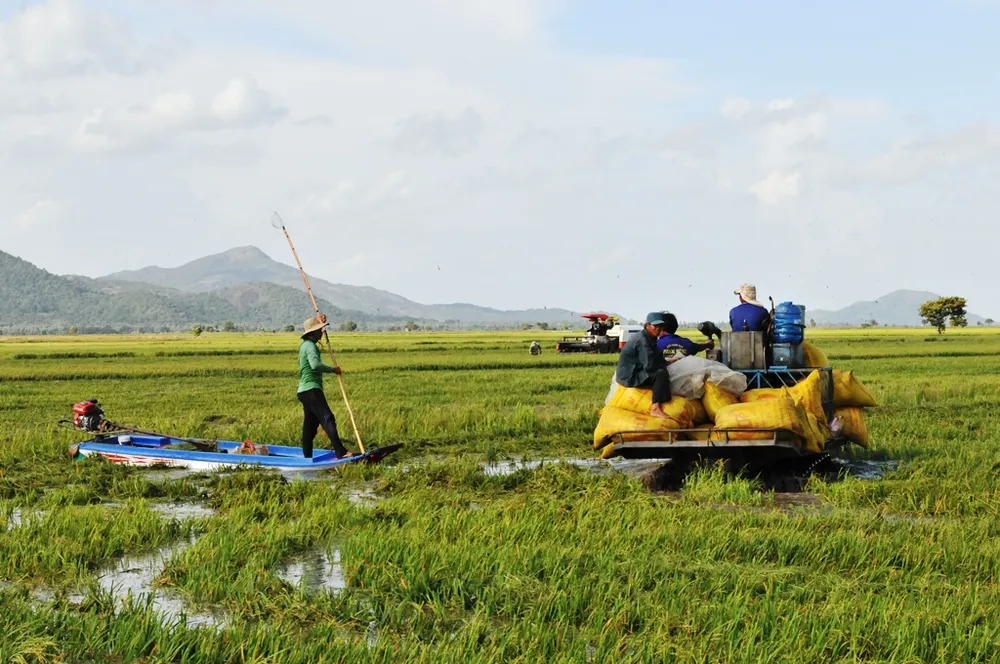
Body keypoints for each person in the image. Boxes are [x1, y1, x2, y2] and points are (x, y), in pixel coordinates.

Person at [297, 313, 356, 459]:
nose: (322, 333)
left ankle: (306, 457)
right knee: (327, 418)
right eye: (319, 330)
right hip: (312, 389)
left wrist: (322, 322)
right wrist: (333, 369)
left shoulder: (306, 344)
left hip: (304, 391)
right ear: (313, 332)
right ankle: (340, 451)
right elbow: (315, 365)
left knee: (310, 427)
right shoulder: (310, 346)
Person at [615, 312, 679, 419]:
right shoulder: (643, 341)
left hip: (637, 368)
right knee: (660, 374)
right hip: (630, 375)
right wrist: (663, 367)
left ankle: (661, 395)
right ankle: (655, 407)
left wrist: (667, 363)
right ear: (647, 325)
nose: (658, 329)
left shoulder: (651, 337)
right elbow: (650, 366)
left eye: (660, 326)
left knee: (664, 374)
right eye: (655, 326)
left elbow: (656, 355)